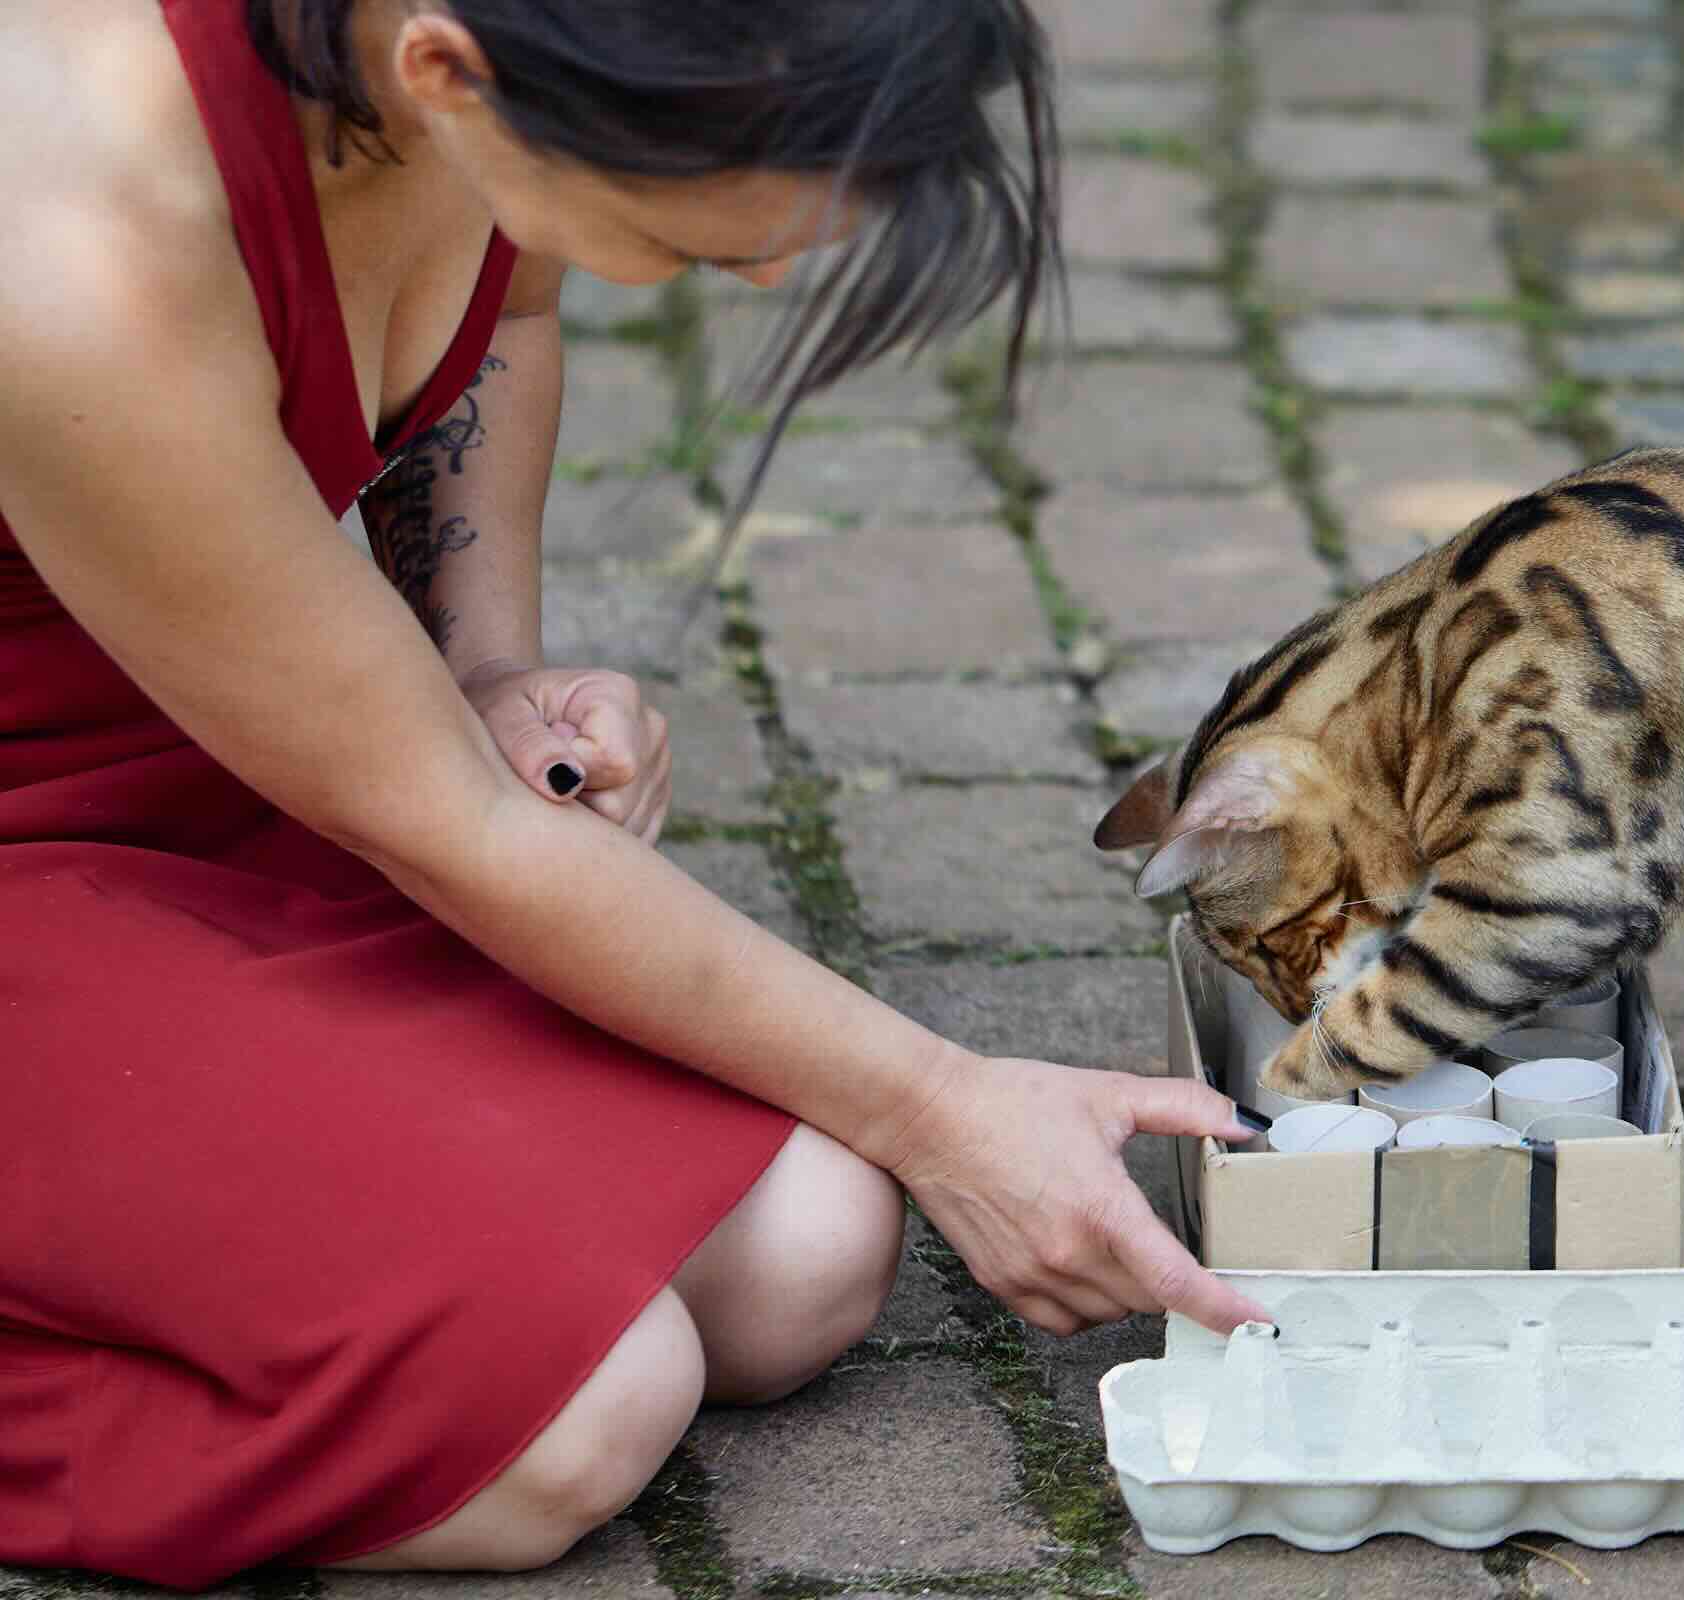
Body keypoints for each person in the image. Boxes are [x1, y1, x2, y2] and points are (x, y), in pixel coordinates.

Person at [0, 1, 1267, 1586]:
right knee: (568, 1428)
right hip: (64, 847)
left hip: (236, 741)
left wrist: (484, 675)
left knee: (809, 1256)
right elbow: (445, 831)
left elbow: (502, 309)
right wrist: (946, 1104)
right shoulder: (69, 233)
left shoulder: (451, 59)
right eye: (690, 245)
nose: (759, 280)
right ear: (449, 77)